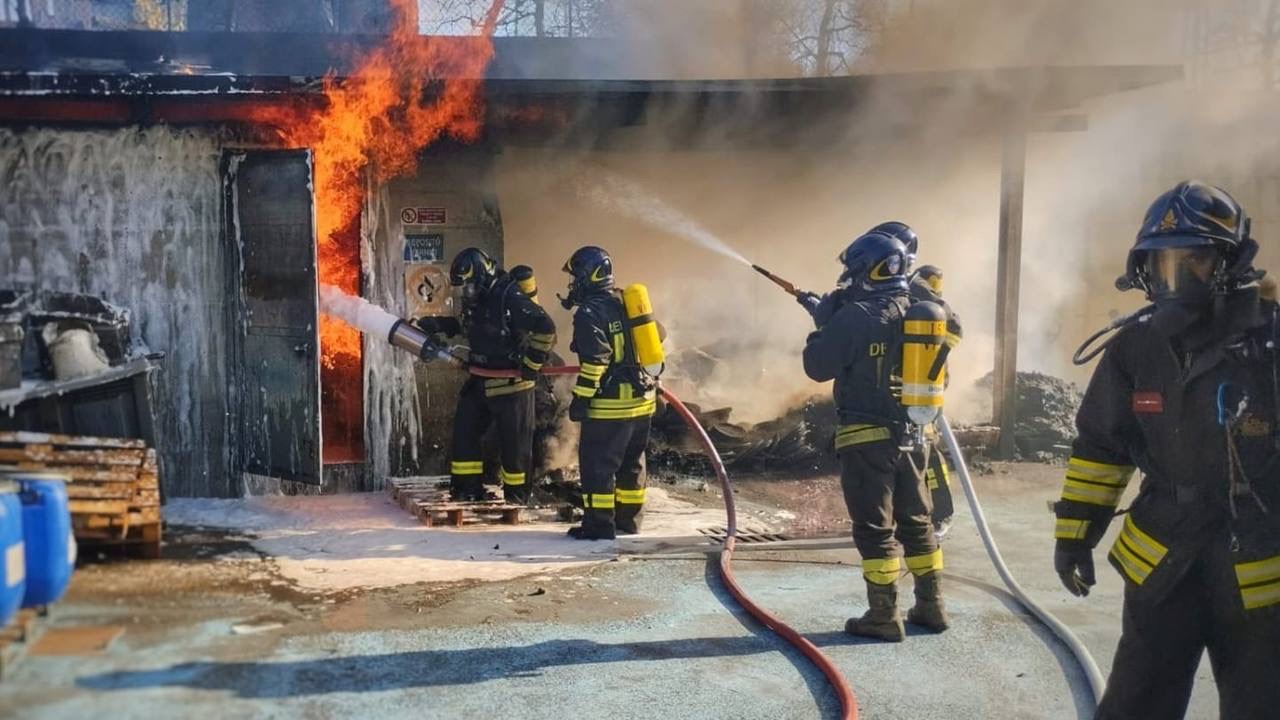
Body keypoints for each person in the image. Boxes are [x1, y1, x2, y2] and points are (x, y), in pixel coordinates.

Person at [1053, 180, 1280, 719]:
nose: (1176, 276)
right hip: (1162, 562)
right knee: (1138, 703)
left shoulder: (1270, 345)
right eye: (1163, 263)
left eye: (1192, 260)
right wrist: (1075, 533)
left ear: (1229, 263)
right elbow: (1101, 447)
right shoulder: (1136, 346)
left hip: (1257, 571)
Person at [801, 230, 946, 642]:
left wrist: (822, 326)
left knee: (875, 528)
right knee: (917, 521)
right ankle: (932, 606)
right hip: (916, 435)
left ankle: (883, 616)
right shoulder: (918, 311)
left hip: (867, 438)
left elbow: (816, 366)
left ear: (867, 269)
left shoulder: (856, 316)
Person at [426, 248, 556, 503]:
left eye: (469, 286)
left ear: (482, 277)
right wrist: (440, 324)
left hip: (511, 386)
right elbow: (472, 325)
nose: (466, 292)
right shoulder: (478, 297)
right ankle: (466, 490)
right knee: (464, 433)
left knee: (514, 449)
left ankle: (516, 499)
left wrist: (532, 363)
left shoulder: (509, 296)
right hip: (480, 379)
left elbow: (546, 327)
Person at [561, 246, 656, 540]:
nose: (573, 284)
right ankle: (629, 521)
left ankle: (598, 526)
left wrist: (581, 398)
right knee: (632, 465)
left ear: (589, 276)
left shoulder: (589, 313)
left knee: (598, 468)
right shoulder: (628, 301)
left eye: (576, 277)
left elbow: (595, 362)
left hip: (610, 408)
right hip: (642, 403)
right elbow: (658, 335)